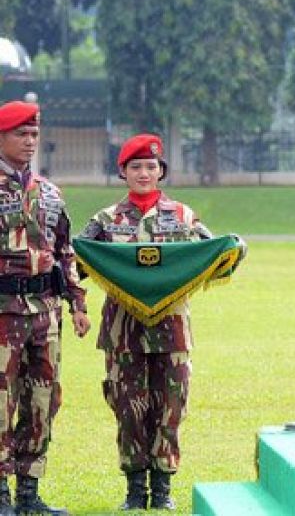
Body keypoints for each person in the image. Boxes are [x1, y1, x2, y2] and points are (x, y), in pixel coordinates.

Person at [77, 134, 226, 510]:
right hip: (123, 333)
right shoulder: (106, 220)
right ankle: (134, 490)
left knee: (170, 406)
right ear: (123, 172)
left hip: (172, 332)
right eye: (136, 167)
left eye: (151, 167)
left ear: (161, 171)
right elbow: (77, 255)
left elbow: (211, 250)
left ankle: (162, 490)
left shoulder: (183, 217)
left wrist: (233, 248)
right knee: (129, 407)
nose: (144, 173)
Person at [0, 100, 89, 515]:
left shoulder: (50, 192)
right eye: (22, 134)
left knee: (42, 400)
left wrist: (77, 303)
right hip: (3, 312)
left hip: (44, 314)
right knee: (1, 403)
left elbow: (64, 250)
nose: (30, 141)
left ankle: (29, 495)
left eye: (34, 134)